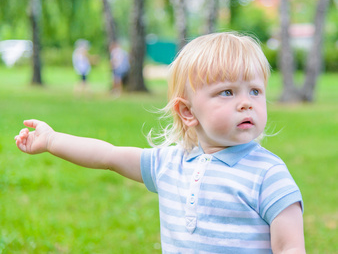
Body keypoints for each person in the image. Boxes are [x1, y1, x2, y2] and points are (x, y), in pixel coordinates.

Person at [15, 32, 305, 253]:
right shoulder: (170, 163)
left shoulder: (268, 175)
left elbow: (291, 248)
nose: (246, 103)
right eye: (227, 92)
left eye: (255, 91)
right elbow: (108, 156)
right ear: (188, 112)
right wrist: (53, 140)